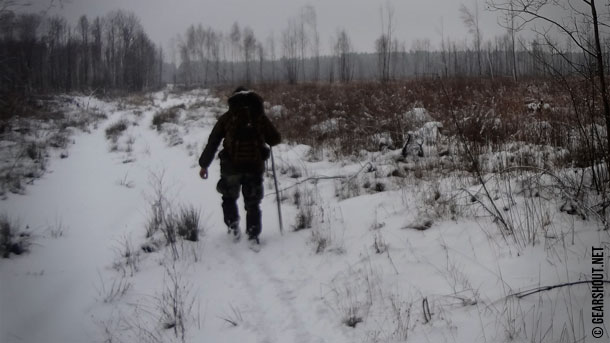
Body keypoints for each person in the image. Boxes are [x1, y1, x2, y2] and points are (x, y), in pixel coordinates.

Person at [198, 87, 281, 248]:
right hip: (254, 168)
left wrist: (204, 165)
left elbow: (213, 141)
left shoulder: (227, 118)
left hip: (231, 168)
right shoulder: (259, 117)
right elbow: (275, 139)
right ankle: (252, 236)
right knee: (253, 203)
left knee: (228, 198)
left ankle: (233, 227)